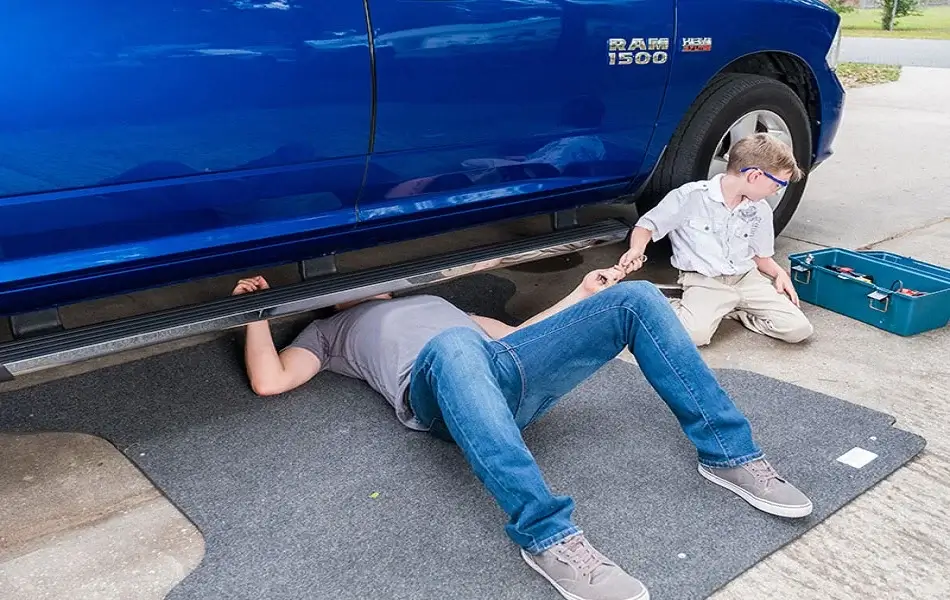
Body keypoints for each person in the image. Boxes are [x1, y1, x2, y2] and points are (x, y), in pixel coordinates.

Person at [231, 266, 813, 600]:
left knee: (634, 297)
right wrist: (256, 316)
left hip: (503, 374)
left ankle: (731, 453)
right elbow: (271, 380)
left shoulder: (432, 298)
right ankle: (548, 538)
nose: (355, 279)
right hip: (441, 397)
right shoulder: (330, 333)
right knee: (457, 346)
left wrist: (581, 298)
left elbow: (518, 335)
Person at [619, 133, 814, 347]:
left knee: (798, 329)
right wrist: (637, 249)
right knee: (695, 336)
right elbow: (647, 226)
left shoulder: (760, 210)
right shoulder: (690, 197)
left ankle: (732, 309)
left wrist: (779, 274)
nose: (777, 192)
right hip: (706, 280)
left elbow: (760, 255)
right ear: (754, 176)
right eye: (777, 184)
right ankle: (672, 305)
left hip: (746, 279)